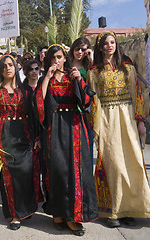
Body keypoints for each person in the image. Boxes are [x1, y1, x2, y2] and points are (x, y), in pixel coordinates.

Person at [87, 31, 150, 228]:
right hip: (107, 120)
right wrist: (94, 124)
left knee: (132, 163)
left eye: (112, 42)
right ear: (100, 48)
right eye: (105, 43)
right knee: (114, 164)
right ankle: (113, 211)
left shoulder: (127, 67)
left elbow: (137, 94)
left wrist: (140, 120)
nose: (110, 46)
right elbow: (93, 100)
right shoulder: (94, 71)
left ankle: (131, 208)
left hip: (127, 119)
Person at [34, 44, 98, 236]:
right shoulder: (46, 79)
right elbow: (40, 101)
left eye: (60, 57)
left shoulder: (73, 75)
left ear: (65, 58)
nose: (56, 61)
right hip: (54, 127)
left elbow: (87, 100)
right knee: (57, 169)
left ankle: (73, 216)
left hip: (75, 126)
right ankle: (58, 213)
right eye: (53, 58)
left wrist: (79, 81)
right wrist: (47, 76)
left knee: (76, 170)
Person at [0, 55, 42, 231]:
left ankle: (26, 209)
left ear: (16, 68)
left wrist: (37, 137)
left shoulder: (26, 90)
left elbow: (34, 115)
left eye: (10, 65)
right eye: (4, 66)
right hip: (3, 135)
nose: (8, 69)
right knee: (8, 176)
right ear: (0, 70)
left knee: (25, 173)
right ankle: (15, 214)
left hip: (24, 134)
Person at [69, 37, 95, 165]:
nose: (80, 52)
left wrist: (91, 58)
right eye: (77, 48)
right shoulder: (67, 66)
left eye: (83, 49)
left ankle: (87, 180)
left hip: (87, 111)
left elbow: (97, 83)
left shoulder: (89, 67)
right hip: (71, 110)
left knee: (88, 146)